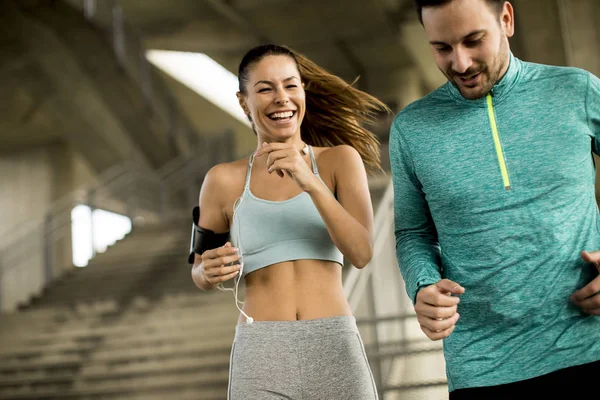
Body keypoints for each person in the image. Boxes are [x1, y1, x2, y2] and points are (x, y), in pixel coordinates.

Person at [389, 0, 600, 398]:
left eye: (473, 41)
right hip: (482, 364)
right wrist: (423, 285)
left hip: (588, 345)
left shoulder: (576, 90)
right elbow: (413, 233)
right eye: (442, 48)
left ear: (506, 18)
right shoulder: (411, 130)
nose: (461, 63)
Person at [190, 44, 389, 399]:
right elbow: (198, 268)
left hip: (333, 343)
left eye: (291, 86)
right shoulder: (222, 180)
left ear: (302, 93)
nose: (281, 98)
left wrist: (308, 179)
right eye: (265, 89)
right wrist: (207, 272)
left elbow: (361, 253)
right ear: (243, 101)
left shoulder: (340, 161)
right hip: (261, 349)